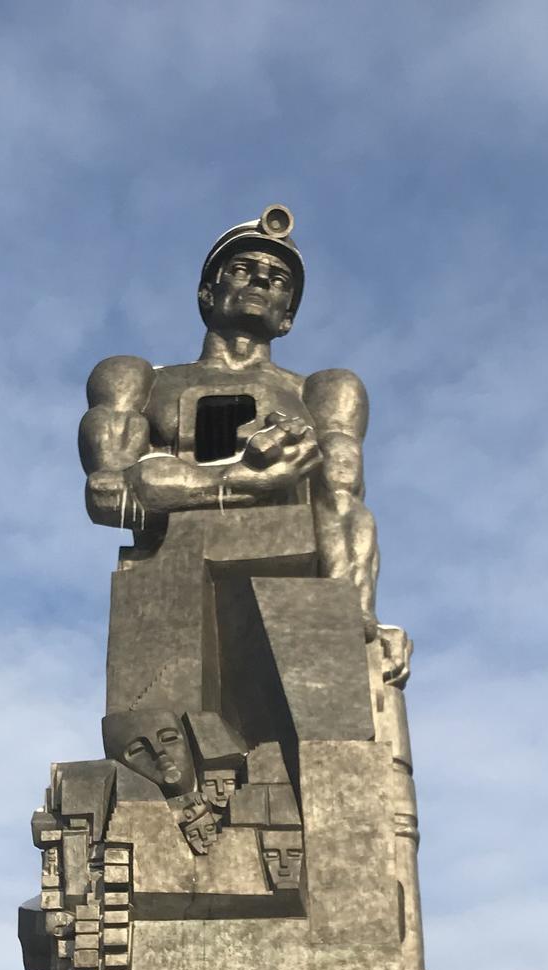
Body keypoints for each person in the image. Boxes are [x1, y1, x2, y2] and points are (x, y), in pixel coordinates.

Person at [77, 207, 411, 685]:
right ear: (207, 293)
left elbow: (342, 503)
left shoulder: (319, 393)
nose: (260, 280)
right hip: (171, 577)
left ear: (288, 317)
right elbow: (108, 495)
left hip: (292, 586)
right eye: (242, 269)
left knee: (344, 732)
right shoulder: (141, 380)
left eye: (277, 279)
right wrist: (244, 481)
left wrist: (360, 619)